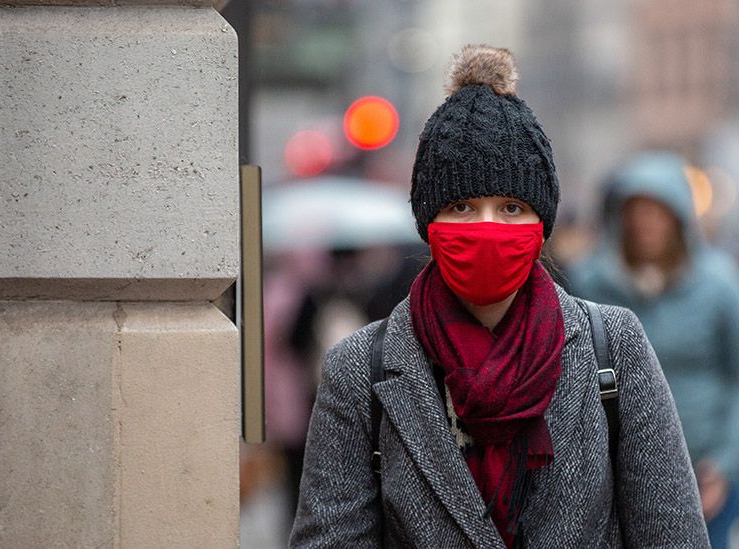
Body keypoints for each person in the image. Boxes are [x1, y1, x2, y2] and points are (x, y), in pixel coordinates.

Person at [289, 45, 709, 548]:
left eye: (511, 207)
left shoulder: (612, 348)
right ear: (428, 222)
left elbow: (673, 535)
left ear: (542, 223)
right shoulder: (361, 370)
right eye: (463, 206)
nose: (487, 227)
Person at [569, 151, 739, 549]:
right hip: (614, 470)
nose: (646, 223)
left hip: (704, 471)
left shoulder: (718, 287)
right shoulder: (590, 284)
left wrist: (725, 464)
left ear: (678, 218)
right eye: (636, 211)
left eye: (657, 211)